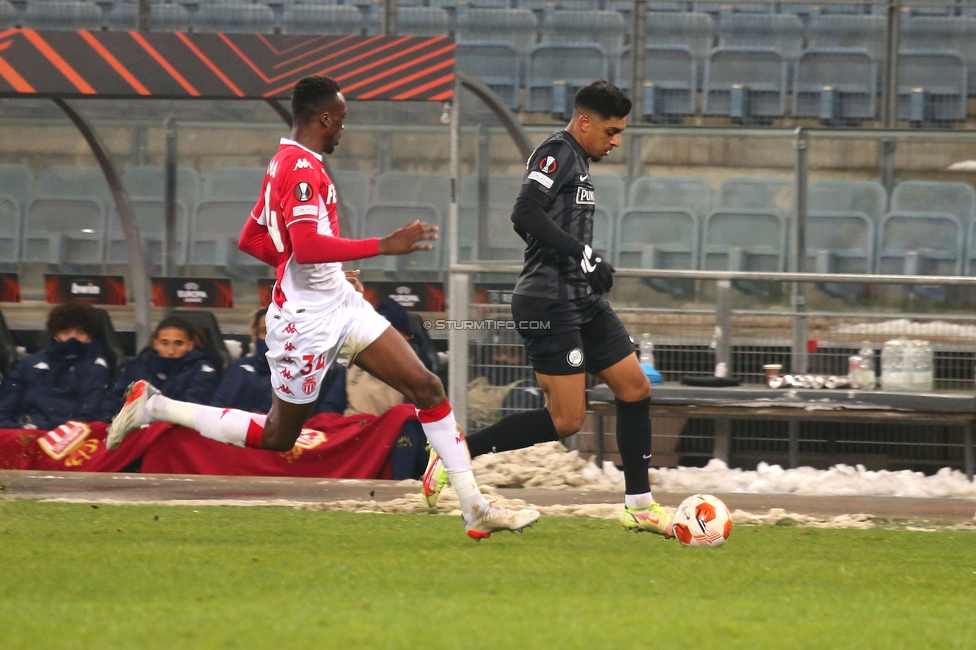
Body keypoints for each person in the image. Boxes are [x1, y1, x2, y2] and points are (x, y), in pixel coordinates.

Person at [105, 74, 538, 540]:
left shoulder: (284, 162)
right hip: (305, 325)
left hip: (340, 305)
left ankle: (474, 508)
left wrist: (321, 275)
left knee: (427, 386)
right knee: (278, 436)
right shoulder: (302, 170)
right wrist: (383, 245)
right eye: (342, 121)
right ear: (324, 117)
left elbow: (254, 239)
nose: (343, 131)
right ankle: (155, 407)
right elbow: (307, 245)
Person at [422, 80, 672, 537]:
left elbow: (539, 228)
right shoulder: (555, 153)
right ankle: (455, 453)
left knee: (635, 388)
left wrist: (576, 258)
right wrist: (580, 253)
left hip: (583, 299)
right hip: (550, 302)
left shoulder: (579, 161)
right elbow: (524, 212)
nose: (615, 141)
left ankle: (639, 506)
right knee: (567, 420)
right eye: (611, 131)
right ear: (584, 122)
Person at [0, 302, 111, 430]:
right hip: (23, 430)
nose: (72, 338)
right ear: (56, 335)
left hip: (68, 435)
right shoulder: (29, 363)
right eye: (66, 332)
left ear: (90, 337)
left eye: (80, 332)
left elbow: (88, 414)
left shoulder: (96, 367)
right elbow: (6, 405)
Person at [99, 316, 220, 421]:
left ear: (190, 345)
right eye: (164, 343)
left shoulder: (201, 371)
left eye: (178, 344)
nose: (171, 351)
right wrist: (106, 425)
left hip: (174, 435)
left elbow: (192, 411)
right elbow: (113, 400)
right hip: (129, 433)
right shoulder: (136, 366)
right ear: (156, 343)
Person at [211, 308, 273, 413]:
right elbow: (217, 408)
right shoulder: (239, 367)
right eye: (265, 331)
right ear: (256, 333)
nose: (272, 336)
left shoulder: (300, 374)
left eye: (277, 331)